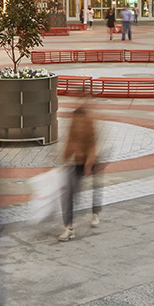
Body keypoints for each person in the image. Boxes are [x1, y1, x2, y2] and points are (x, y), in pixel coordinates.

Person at [59, 102, 101, 241]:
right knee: (70, 192)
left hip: (91, 159)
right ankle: (69, 227)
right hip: (77, 161)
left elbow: (92, 143)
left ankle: (95, 212)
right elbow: (71, 140)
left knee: (95, 186)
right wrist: (64, 159)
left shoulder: (90, 119)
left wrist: (90, 163)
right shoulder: (74, 117)